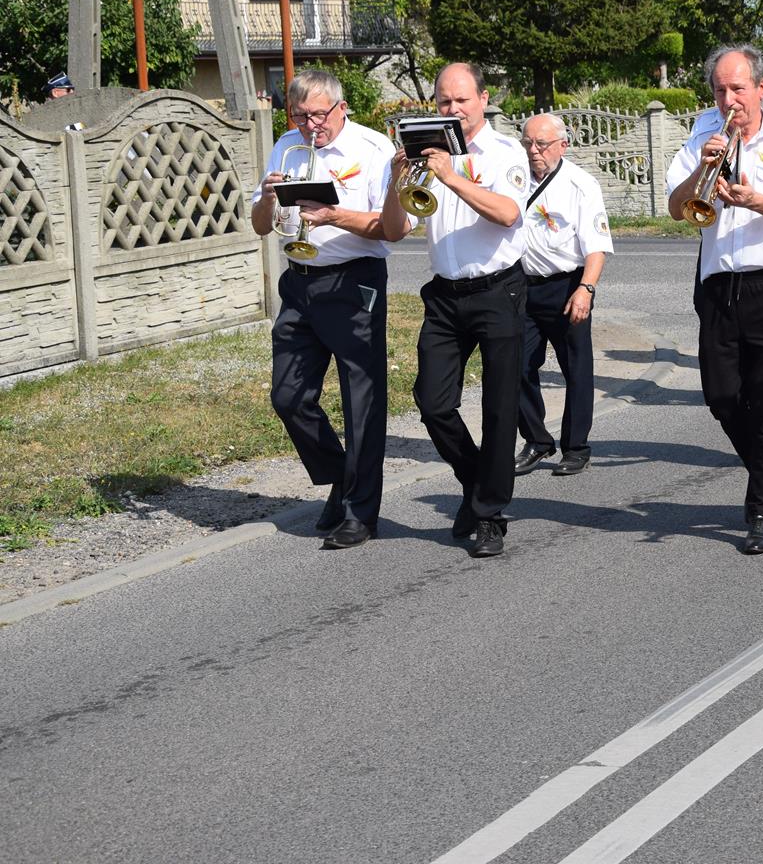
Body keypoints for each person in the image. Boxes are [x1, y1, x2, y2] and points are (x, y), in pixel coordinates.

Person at [667, 44, 763, 554]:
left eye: (738, 88)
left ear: (761, 87)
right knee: (720, 393)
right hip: (718, 281)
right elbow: (676, 209)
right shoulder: (701, 138)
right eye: (720, 89)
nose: (729, 99)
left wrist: (757, 200)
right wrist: (701, 168)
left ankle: (761, 511)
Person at [381, 63, 529, 558]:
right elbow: (395, 227)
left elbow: (508, 213)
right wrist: (398, 179)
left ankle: (490, 515)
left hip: (499, 289)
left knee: (498, 407)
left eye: (462, 100)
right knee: (432, 401)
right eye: (444, 101)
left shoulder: (505, 151)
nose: (452, 109)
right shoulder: (424, 153)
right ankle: (476, 483)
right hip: (445, 292)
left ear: (483, 99)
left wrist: (450, 174)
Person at [249, 70, 394, 550]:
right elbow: (258, 227)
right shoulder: (286, 144)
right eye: (301, 115)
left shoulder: (372, 150)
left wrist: (333, 215)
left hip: (354, 281)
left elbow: (393, 226)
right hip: (299, 281)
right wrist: (268, 199)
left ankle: (360, 512)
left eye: (319, 114)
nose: (311, 125)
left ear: (342, 107)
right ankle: (339, 476)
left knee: (362, 402)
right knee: (288, 397)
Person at [514, 113, 612, 478]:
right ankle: (538, 440)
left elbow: (596, 245)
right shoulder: (515, 178)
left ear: (562, 145)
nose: (534, 151)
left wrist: (586, 289)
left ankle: (576, 447)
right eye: (528, 144)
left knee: (576, 368)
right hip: (523, 285)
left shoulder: (580, 184)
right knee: (516, 366)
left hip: (567, 285)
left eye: (541, 144)